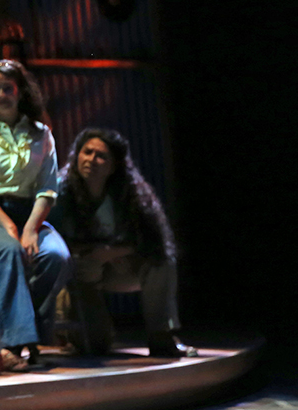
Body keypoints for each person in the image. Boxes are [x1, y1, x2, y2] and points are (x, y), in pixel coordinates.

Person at [0, 59, 72, 371]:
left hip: (31, 215)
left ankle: (25, 335)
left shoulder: (41, 134)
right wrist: (10, 225)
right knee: (8, 251)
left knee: (57, 256)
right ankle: (9, 345)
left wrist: (32, 228)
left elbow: (47, 189)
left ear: (20, 92)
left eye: (6, 88)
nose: (0, 95)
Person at [53, 128, 197, 358]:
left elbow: (155, 241)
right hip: (80, 270)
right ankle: (73, 325)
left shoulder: (130, 191)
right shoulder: (60, 189)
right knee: (95, 344)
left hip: (118, 266)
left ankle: (162, 336)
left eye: (101, 156)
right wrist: (92, 253)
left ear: (114, 165)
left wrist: (110, 252)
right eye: (86, 152)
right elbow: (50, 238)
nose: (92, 160)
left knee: (162, 261)